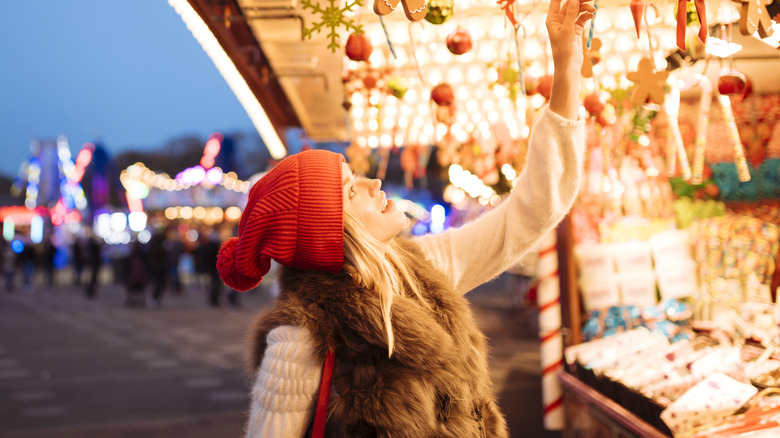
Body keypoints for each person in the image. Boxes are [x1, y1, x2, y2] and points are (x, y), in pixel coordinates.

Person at [216, 0, 593, 436]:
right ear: (329, 231)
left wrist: (566, 65)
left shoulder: (422, 272)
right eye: (351, 190)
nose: (375, 185)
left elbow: (535, 208)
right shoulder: (300, 339)